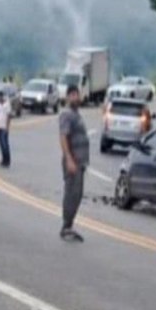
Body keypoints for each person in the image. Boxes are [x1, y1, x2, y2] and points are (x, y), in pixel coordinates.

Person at [59, 85, 90, 242]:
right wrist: (69, 159)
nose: (74, 97)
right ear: (67, 97)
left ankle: (69, 225)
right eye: (71, 95)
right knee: (72, 193)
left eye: (76, 95)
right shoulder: (66, 114)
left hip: (81, 162)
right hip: (73, 162)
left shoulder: (77, 114)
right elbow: (63, 137)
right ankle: (66, 226)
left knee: (77, 194)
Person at [0, 90, 12, 167]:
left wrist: (7, 127)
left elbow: (9, 116)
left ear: (2, 96)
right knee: (1, 144)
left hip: (4, 127)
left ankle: (7, 160)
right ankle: (3, 159)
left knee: (5, 145)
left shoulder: (7, 105)